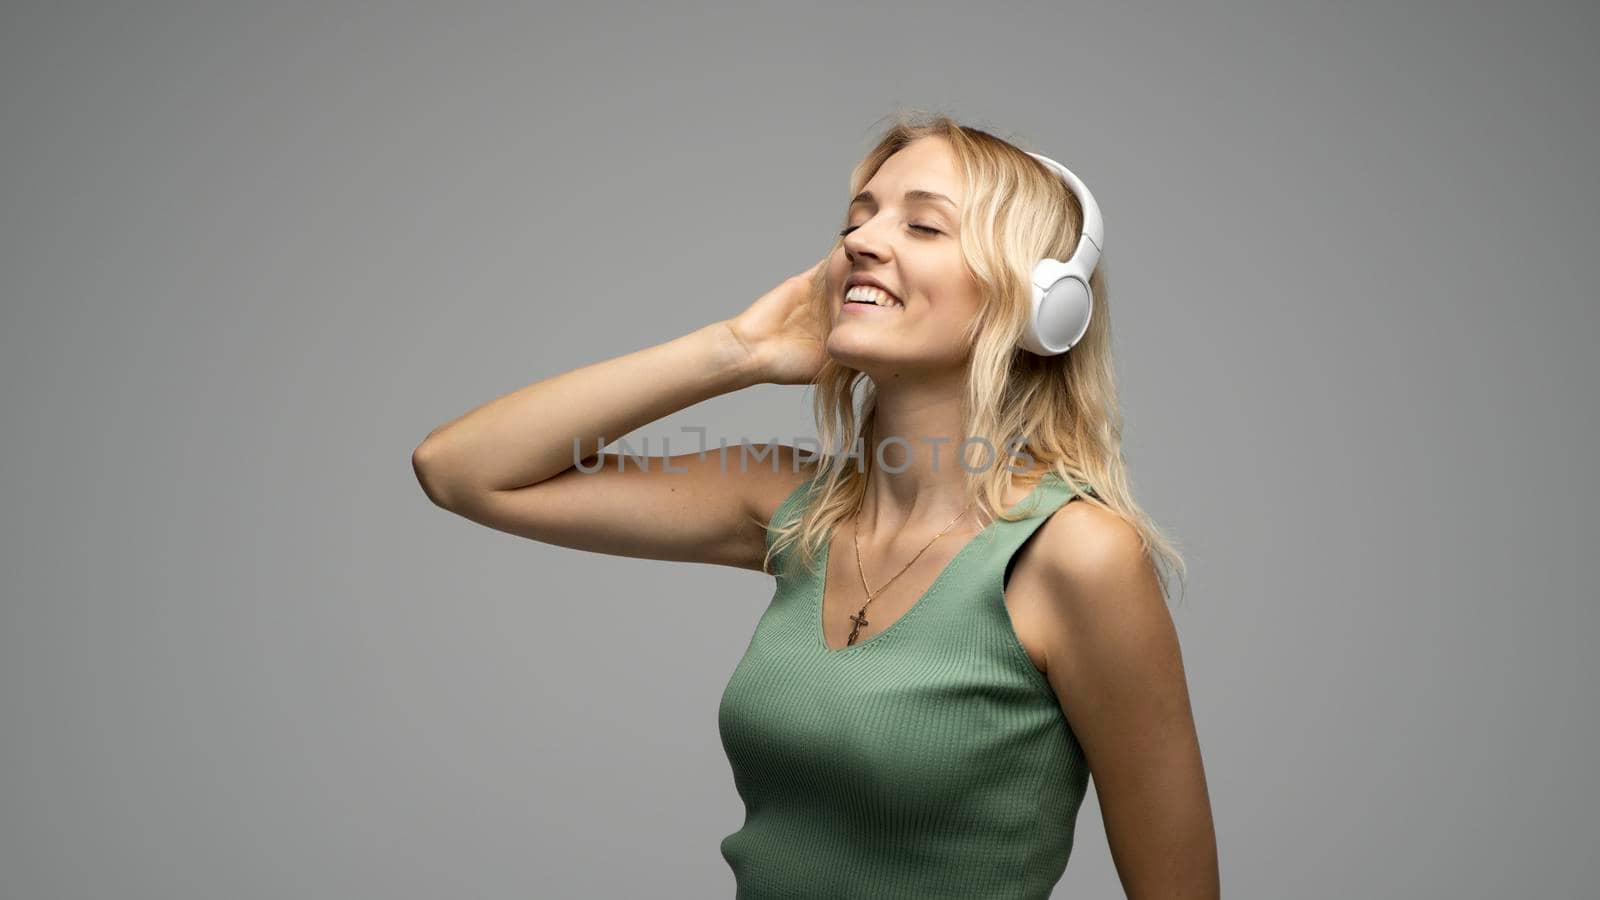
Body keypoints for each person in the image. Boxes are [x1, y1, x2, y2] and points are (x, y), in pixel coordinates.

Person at [411, 112, 1219, 899]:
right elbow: (459, 471)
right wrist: (736, 350)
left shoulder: (1075, 554)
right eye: (858, 220)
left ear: (1044, 305)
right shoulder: (789, 503)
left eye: (925, 228)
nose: (861, 242)